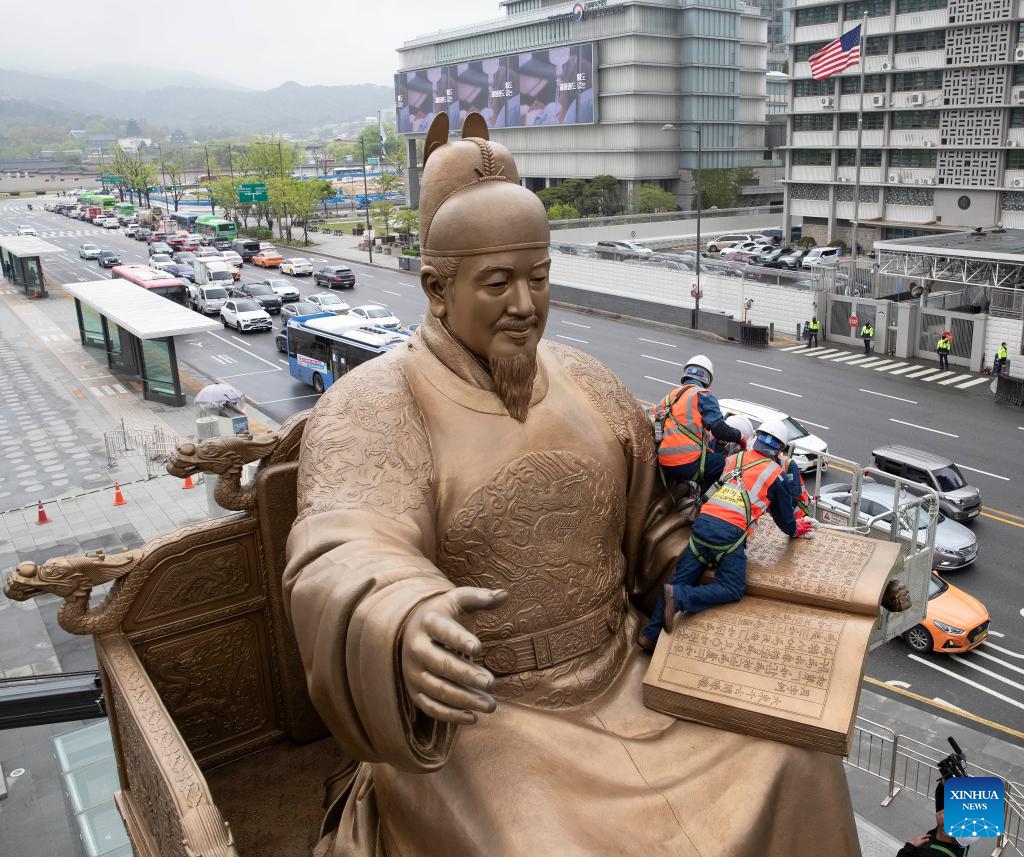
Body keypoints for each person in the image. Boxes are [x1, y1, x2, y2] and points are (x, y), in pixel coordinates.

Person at [283, 113, 859, 857]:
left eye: (539, 276)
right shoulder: (374, 404)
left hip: (628, 666)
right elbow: (346, 545)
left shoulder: (587, 378)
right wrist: (402, 619)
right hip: (488, 714)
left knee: (797, 756)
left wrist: (711, 548)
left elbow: (653, 517)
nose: (525, 305)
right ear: (435, 287)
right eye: (497, 283)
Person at [640, 418, 816, 647]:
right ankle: (683, 598)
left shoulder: (734, 459)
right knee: (732, 588)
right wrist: (795, 529)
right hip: (728, 536)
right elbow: (784, 520)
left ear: (757, 439)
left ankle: (649, 636)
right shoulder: (776, 475)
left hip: (702, 525)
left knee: (679, 581)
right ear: (780, 449)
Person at [650, 355, 744, 501]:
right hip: (687, 461)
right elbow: (719, 430)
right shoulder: (703, 395)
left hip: (664, 460)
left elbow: (655, 425)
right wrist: (740, 436)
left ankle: (689, 491)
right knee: (727, 466)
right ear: (707, 379)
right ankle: (703, 504)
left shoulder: (669, 397)